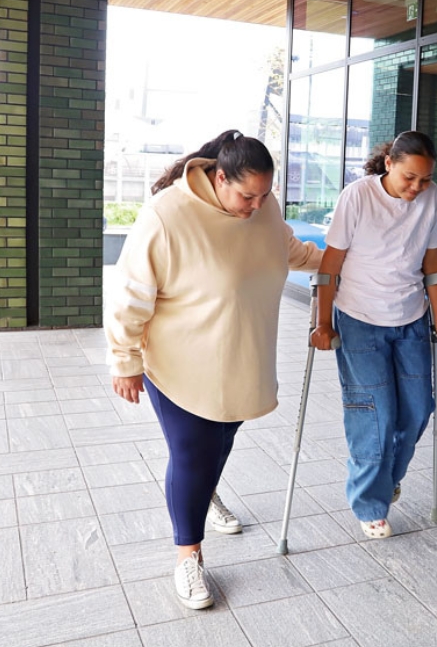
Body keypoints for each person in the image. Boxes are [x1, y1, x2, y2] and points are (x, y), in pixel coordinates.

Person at [105, 130, 323, 610]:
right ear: (220, 177)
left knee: (218, 444)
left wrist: (347, 262)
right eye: (247, 195)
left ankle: (203, 493)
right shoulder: (167, 216)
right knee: (193, 454)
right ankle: (189, 555)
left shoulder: (264, 208)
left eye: (265, 195)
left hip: (243, 360)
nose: (256, 205)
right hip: (179, 364)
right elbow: (130, 296)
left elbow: (288, 249)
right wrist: (125, 360)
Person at [311, 131, 437, 539]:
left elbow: (432, 262)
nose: (417, 188)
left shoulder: (431, 199)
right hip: (359, 317)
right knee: (375, 413)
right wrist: (322, 321)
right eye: (409, 178)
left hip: (410, 317)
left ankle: (385, 478)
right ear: (389, 164)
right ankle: (370, 501)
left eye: (425, 179)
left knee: (418, 408)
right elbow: (331, 263)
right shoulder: (357, 196)